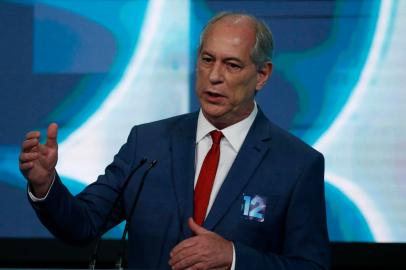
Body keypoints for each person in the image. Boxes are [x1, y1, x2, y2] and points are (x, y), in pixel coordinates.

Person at [19, 12, 330, 269]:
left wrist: (234, 257)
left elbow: (311, 266)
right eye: (208, 60)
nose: (215, 76)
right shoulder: (147, 143)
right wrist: (46, 185)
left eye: (232, 65)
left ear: (262, 75)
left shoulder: (297, 164)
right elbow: (82, 225)